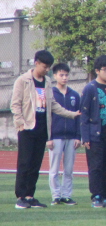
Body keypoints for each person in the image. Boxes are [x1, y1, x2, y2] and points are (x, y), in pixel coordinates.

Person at [12, 50, 80, 209]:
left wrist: (71, 114)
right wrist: (20, 123)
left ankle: (30, 196)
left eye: (49, 67)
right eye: (44, 66)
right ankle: (21, 197)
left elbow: (53, 105)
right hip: (27, 128)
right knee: (25, 163)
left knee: (35, 164)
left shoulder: (47, 82)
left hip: (42, 129)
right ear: (36, 63)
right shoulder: (23, 80)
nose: (47, 69)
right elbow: (15, 104)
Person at [80, 55, 106, 208]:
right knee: (96, 166)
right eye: (105, 69)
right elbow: (84, 113)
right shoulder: (90, 88)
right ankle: (96, 195)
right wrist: (85, 136)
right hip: (95, 134)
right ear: (97, 70)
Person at [48, 63, 81, 205]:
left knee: (68, 169)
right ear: (55, 76)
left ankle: (66, 195)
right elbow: (47, 117)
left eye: (66, 75)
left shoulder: (74, 95)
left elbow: (78, 116)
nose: (64, 77)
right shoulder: (51, 94)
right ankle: (56, 195)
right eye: (61, 75)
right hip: (56, 136)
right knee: (54, 169)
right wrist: (48, 138)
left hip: (71, 136)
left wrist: (78, 136)